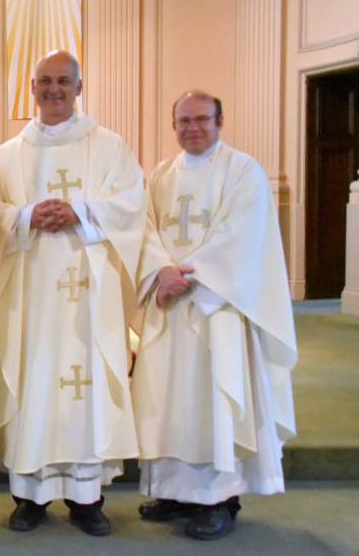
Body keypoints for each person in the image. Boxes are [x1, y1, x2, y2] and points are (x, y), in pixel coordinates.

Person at [0, 51, 145, 536]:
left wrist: (81, 212)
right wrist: (27, 216)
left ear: (80, 87)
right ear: (32, 88)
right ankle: (29, 497)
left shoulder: (110, 147)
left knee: (86, 383)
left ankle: (86, 497)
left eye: (63, 81)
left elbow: (132, 206)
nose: (53, 89)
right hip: (29, 296)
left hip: (89, 298)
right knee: (32, 380)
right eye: (44, 81)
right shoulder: (8, 154)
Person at [132, 90, 298, 540]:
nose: (192, 128)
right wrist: (160, 270)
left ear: (220, 121)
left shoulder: (243, 170)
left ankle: (220, 498)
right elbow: (143, 230)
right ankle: (172, 490)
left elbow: (242, 236)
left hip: (218, 307)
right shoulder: (162, 175)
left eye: (202, 119)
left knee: (213, 398)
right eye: (183, 120)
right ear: (174, 126)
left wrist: (188, 276)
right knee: (166, 399)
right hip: (168, 305)